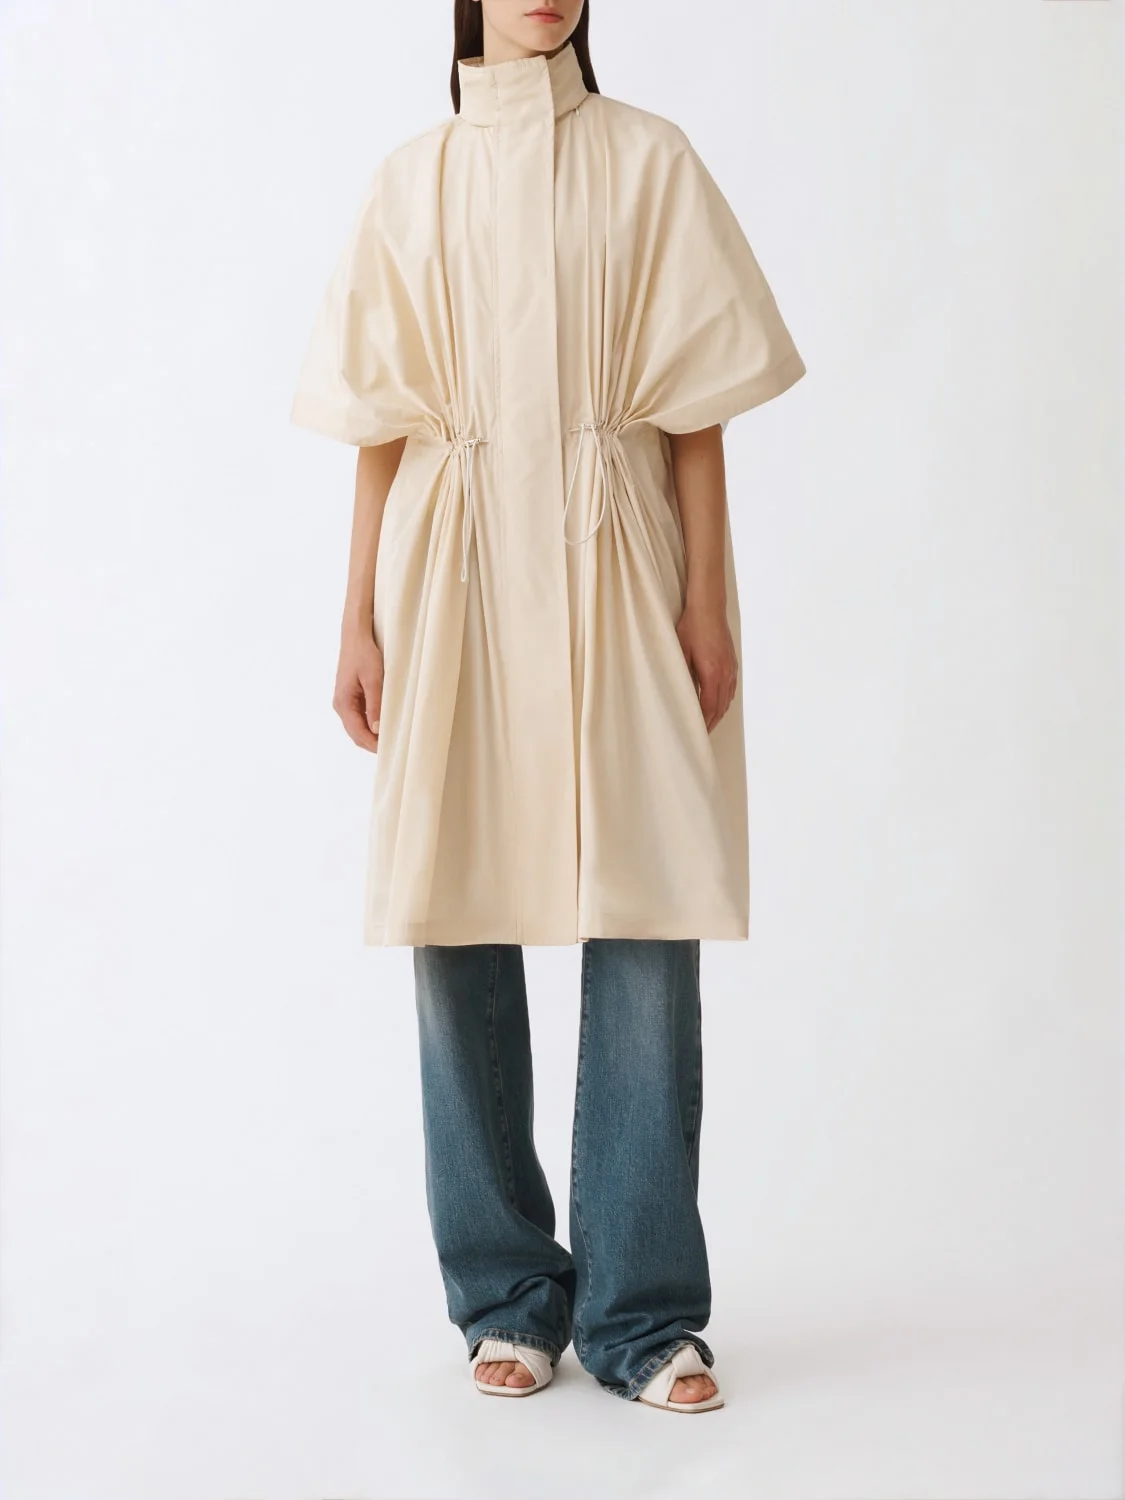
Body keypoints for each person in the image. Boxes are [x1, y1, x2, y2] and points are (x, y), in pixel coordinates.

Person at [290, 0, 805, 1412]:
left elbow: (696, 409)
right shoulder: (413, 179)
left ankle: (641, 1312)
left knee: (646, 900)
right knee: (452, 911)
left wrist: (707, 602)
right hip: (449, 564)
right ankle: (506, 1294)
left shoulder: (649, 160)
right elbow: (380, 424)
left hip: (617, 555)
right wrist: (356, 613)